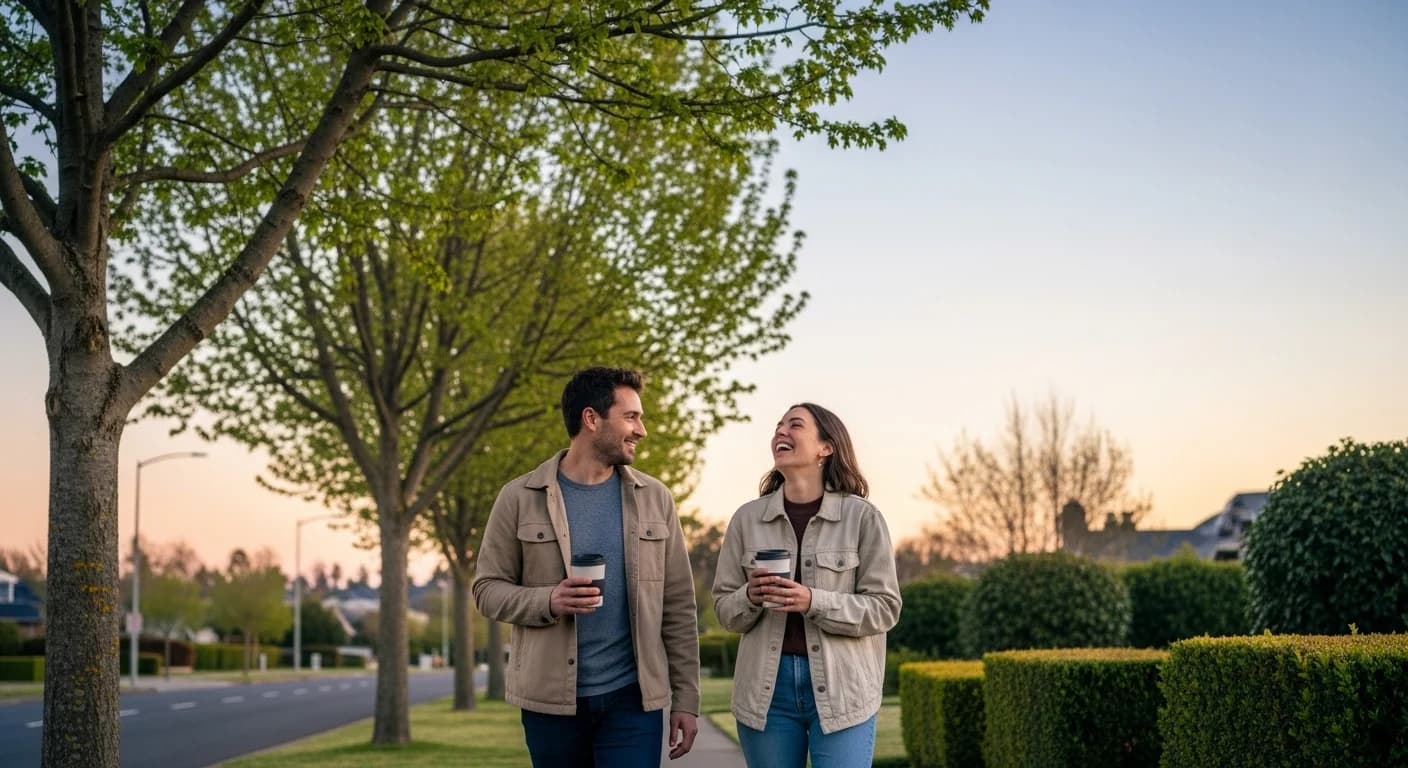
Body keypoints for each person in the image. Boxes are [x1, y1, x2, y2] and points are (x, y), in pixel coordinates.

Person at [473, 367, 700, 767]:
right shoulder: (518, 497)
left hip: (633, 700)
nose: (641, 430)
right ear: (591, 419)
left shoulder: (656, 499)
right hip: (550, 704)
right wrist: (549, 600)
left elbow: (678, 607)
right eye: (631, 417)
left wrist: (686, 700)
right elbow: (487, 589)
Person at [712, 402, 902, 768]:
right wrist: (750, 595)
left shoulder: (862, 517)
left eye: (794, 425)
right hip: (765, 693)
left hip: (844, 689)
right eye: (778, 426)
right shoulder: (746, 519)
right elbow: (724, 609)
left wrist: (812, 600)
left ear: (825, 447)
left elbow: (884, 608)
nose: (780, 432)